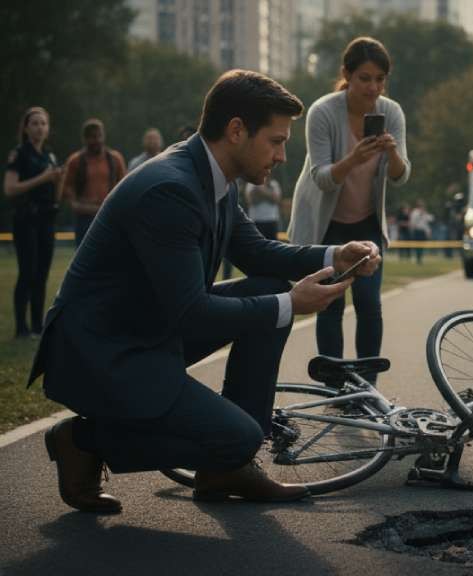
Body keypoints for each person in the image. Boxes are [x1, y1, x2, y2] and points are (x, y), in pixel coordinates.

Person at [31, 69, 381, 514]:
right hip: (101, 353)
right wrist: (292, 303)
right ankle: (81, 441)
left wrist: (336, 256)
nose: (282, 156)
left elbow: (256, 253)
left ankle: (227, 468)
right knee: (239, 426)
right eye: (276, 141)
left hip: (145, 330)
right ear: (236, 130)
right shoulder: (171, 190)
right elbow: (191, 313)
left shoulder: (212, 176)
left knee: (268, 288)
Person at [288, 36, 410, 370]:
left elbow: (401, 176)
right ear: (347, 74)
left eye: (380, 79)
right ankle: (334, 386)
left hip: (367, 221)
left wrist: (391, 152)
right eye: (365, 78)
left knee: (369, 302)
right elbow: (322, 177)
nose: (373, 88)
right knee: (330, 302)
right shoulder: (323, 112)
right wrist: (354, 158)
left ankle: (367, 387)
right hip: (325, 225)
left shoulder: (392, 112)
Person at [4, 107, 64, 339]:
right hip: (26, 220)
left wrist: (58, 179)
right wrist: (43, 177)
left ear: (48, 129)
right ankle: (21, 328)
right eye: (35, 123)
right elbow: (9, 189)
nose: (40, 128)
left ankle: (38, 327)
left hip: (46, 221)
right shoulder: (19, 154)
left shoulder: (49, 156)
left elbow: (56, 195)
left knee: (42, 274)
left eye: (43, 124)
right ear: (26, 128)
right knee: (27, 272)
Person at [63, 119, 127, 247]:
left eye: (99, 136)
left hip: (109, 215)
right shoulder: (75, 161)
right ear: (85, 139)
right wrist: (74, 203)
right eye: (92, 137)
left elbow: (124, 186)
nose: (97, 140)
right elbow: (67, 187)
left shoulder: (115, 159)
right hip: (84, 218)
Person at [244, 173, 282, 241]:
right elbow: (250, 201)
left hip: (272, 221)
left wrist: (261, 191)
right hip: (256, 221)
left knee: (272, 246)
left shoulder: (274, 184)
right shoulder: (251, 184)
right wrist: (268, 194)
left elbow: (276, 200)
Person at [409, 199, 433, 265]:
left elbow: (429, 220)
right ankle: (418, 259)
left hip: (423, 232)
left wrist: (428, 231)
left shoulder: (425, 213)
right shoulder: (415, 212)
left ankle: (420, 258)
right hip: (417, 231)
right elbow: (413, 222)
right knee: (417, 246)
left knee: (422, 246)